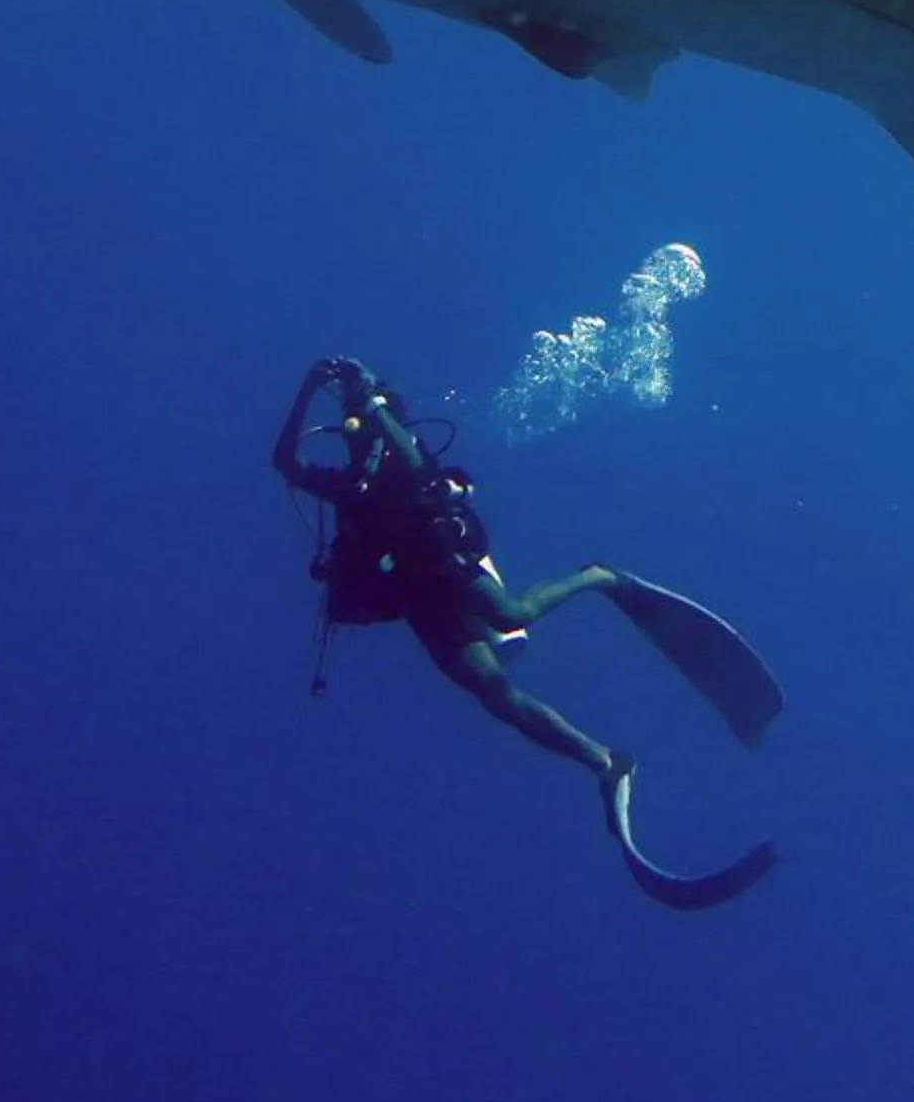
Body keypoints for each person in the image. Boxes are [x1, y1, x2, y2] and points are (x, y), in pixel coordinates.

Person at [273, 355, 782, 911]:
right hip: (414, 595)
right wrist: (306, 390)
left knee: (512, 614)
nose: (355, 435)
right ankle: (605, 762)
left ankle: (599, 576)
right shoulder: (353, 488)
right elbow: (285, 461)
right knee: (492, 694)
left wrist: (373, 406)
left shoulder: (400, 458)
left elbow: (418, 464)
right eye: (352, 426)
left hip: (443, 561)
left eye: (364, 425)